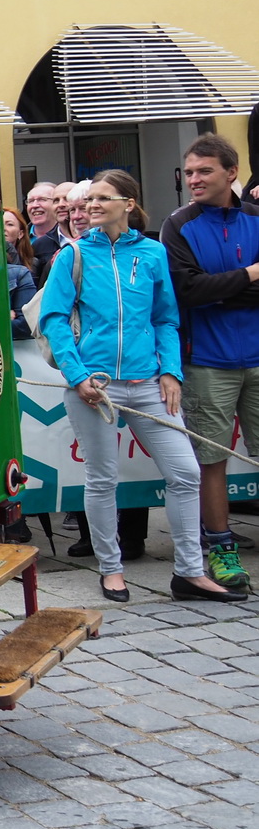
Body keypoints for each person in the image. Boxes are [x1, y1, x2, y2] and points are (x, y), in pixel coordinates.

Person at [38, 169, 245, 605]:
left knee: (186, 474)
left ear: (128, 204)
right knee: (102, 480)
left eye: (101, 198)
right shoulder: (72, 254)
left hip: (149, 383)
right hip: (95, 387)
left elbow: (165, 318)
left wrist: (170, 371)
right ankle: (111, 570)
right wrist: (78, 377)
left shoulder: (151, 253)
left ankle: (189, 572)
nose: (90, 206)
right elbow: (54, 320)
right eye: (88, 200)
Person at [161, 133, 259, 581]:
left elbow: (208, 288)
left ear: (231, 172)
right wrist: (249, 277)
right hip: (206, 362)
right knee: (211, 461)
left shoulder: (257, 218)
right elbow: (188, 290)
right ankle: (221, 551)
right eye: (190, 172)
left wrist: (222, 288)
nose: (194, 179)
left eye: (205, 171)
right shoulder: (178, 225)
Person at [3, 208, 37, 342]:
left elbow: (28, 323)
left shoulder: (26, 270)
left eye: (9, 224)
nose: (3, 228)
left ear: (21, 233)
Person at [25, 181, 63, 282]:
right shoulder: (18, 237)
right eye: (31, 201)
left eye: (42, 199)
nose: (35, 205)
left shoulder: (67, 238)